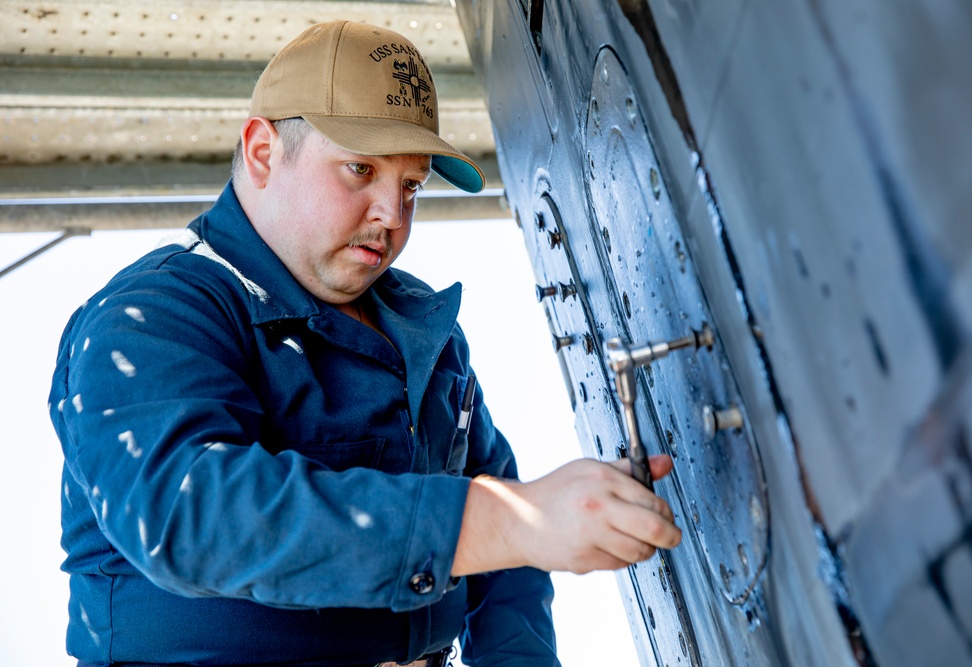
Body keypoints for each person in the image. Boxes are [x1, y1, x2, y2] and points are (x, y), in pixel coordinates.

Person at [49, 20, 680, 667]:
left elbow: (506, 554)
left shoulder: (422, 331)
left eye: (411, 185)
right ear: (263, 152)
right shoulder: (153, 315)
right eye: (361, 169)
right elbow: (194, 515)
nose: (393, 215)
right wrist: (508, 520)